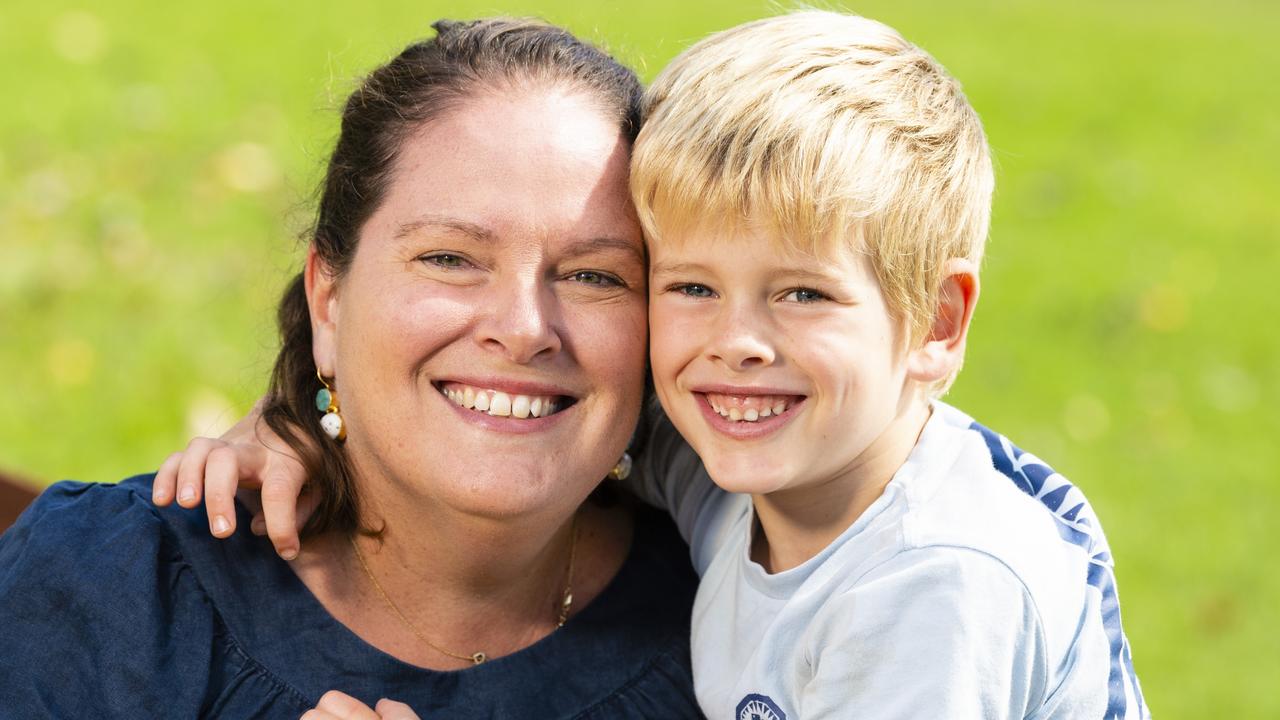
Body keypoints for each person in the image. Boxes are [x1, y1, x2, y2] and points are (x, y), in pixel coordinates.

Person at [167, 10, 1152, 720]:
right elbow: (508, 400)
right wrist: (307, 414)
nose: (734, 343)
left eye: (801, 293)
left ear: (934, 326)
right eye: (687, 287)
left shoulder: (932, 592)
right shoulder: (733, 458)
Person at [0, 19, 703, 718]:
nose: (524, 329)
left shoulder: (738, 626)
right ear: (328, 300)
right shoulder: (107, 593)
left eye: (595, 276)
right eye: (450, 259)